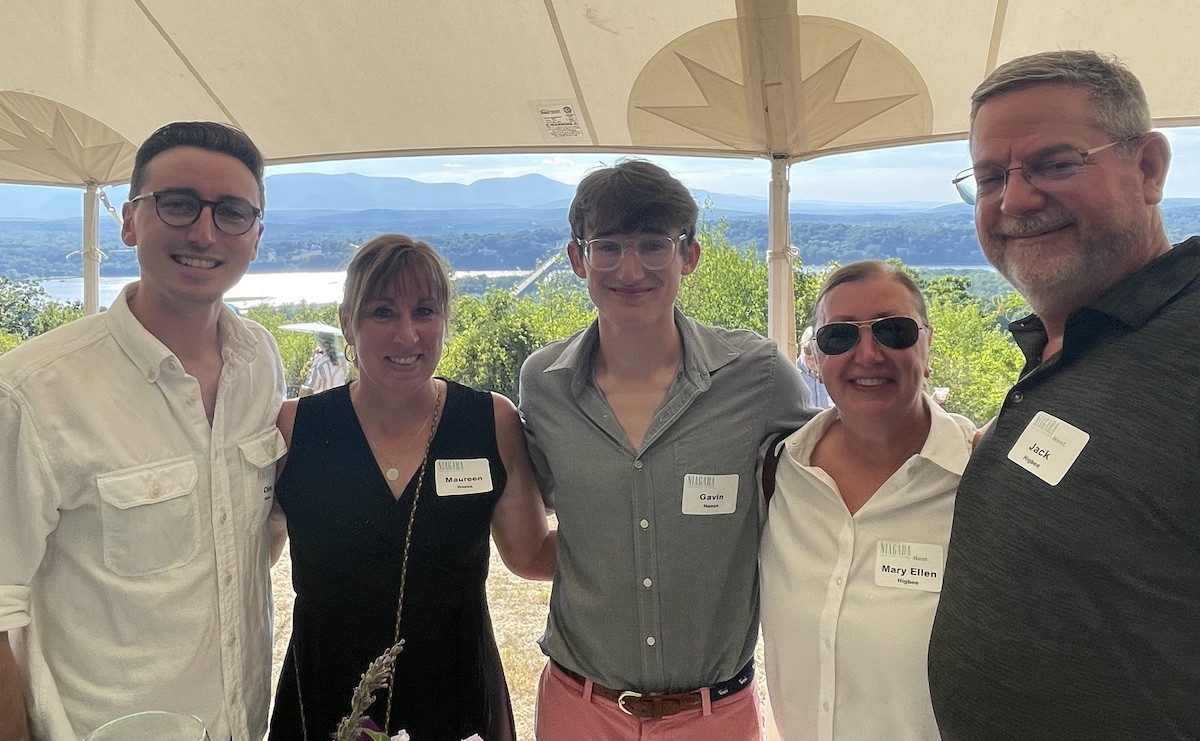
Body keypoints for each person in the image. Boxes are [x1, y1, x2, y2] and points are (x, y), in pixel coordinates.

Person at [928, 49, 1200, 739]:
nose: (1015, 200)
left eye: (1055, 163)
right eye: (991, 177)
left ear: (1148, 168)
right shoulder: (1069, 342)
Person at [0, 121, 285, 741]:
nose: (204, 232)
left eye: (232, 213)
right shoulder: (32, 393)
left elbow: (250, 531)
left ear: (257, 236)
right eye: (179, 204)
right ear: (129, 221)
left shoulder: (259, 363)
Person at [518, 159, 814, 740]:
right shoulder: (543, 385)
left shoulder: (756, 378)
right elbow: (548, 537)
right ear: (578, 259)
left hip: (716, 717)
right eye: (608, 247)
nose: (631, 269)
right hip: (580, 710)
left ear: (689, 256)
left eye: (654, 245)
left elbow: (833, 464)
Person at [268, 234, 555, 741]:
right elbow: (245, 555)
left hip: (454, 696)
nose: (406, 335)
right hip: (326, 694)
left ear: (445, 321)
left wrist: (645, 534)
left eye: (424, 311)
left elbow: (531, 555)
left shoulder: (490, 422)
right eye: (382, 313)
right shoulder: (296, 430)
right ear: (347, 325)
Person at [760, 261, 975, 740]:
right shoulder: (781, 471)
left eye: (893, 330)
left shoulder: (982, 481)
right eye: (840, 337)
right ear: (815, 356)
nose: (868, 353)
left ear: (927, 342)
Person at [797, 325, 833, 408]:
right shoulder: (791, 375)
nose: (813, 355)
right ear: (801, 347)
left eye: (817, 350)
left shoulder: (833, 373)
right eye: (808, 350)